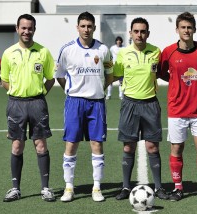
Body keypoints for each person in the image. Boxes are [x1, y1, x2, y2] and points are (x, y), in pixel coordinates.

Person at [55, 11, 113, 202]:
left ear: (94, 28)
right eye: (83, 26)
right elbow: (60, 75)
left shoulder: (103, 49)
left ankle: (97, 188)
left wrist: (99, 89)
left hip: (96, 103)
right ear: (77, 27)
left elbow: (109, 75)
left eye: (90, 26)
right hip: (74, 102)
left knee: (96, 144)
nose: (86, 29)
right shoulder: (67, 49)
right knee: (71, 144)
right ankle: (69, 188)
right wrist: (71, 91)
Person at [158, 12, 197, 201]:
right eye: (183, 27)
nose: (186, 30)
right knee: (177, 149)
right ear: (177, 30)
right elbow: (161, 72)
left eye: (189, 27)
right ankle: (178, 187)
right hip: (177, 110)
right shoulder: (168, 52)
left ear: (195, 29)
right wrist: (174, 79)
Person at [0, 14, 56, 202]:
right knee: (17, 146)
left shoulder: (43, 52)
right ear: (17, 29)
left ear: (34, 29)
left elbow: (50, 79)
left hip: (37, 103)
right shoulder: (8, 53)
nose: (26, 31)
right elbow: (5, 81)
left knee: (40, 145)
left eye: (30, 28)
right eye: (23, 28)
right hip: (16, 104)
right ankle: (15, 188)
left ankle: (46, 188)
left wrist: (38, 95)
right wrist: (18, 93)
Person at [113, 17, 169, 201]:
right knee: (128, 146)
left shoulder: (156, 52)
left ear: (148, 33)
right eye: (136, 31)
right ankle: (125, 187)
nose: (139, 34)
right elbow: (117, 75)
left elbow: (165, 73)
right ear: (130, 33)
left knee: (152, 147)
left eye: (143, 31)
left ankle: (159, 187)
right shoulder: (123, 54)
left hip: (150, 103)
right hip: (129, 104)